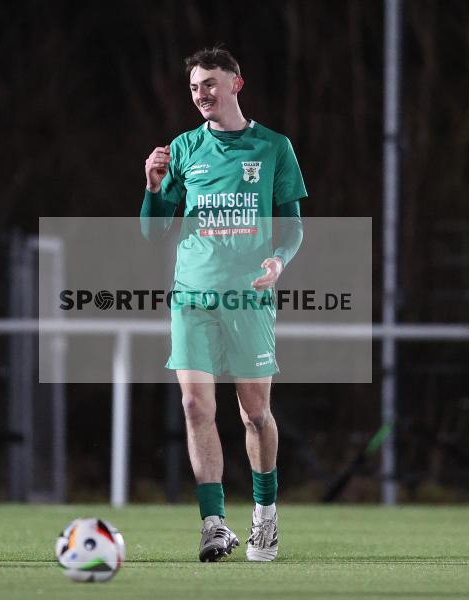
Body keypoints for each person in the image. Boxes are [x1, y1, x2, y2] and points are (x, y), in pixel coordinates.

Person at [140, 46, 306, 562]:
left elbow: (293, 225)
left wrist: (278, 261)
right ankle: (213, 523)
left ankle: (264, 515)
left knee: (255, 415)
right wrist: (151, 187)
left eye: (209, 83)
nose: (201, 94)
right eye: (194, 87)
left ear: (236, 83)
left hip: (248, 298)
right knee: (194, 406)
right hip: (191, 293)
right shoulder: (183, 149)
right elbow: (153, 230)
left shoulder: (274, 146)